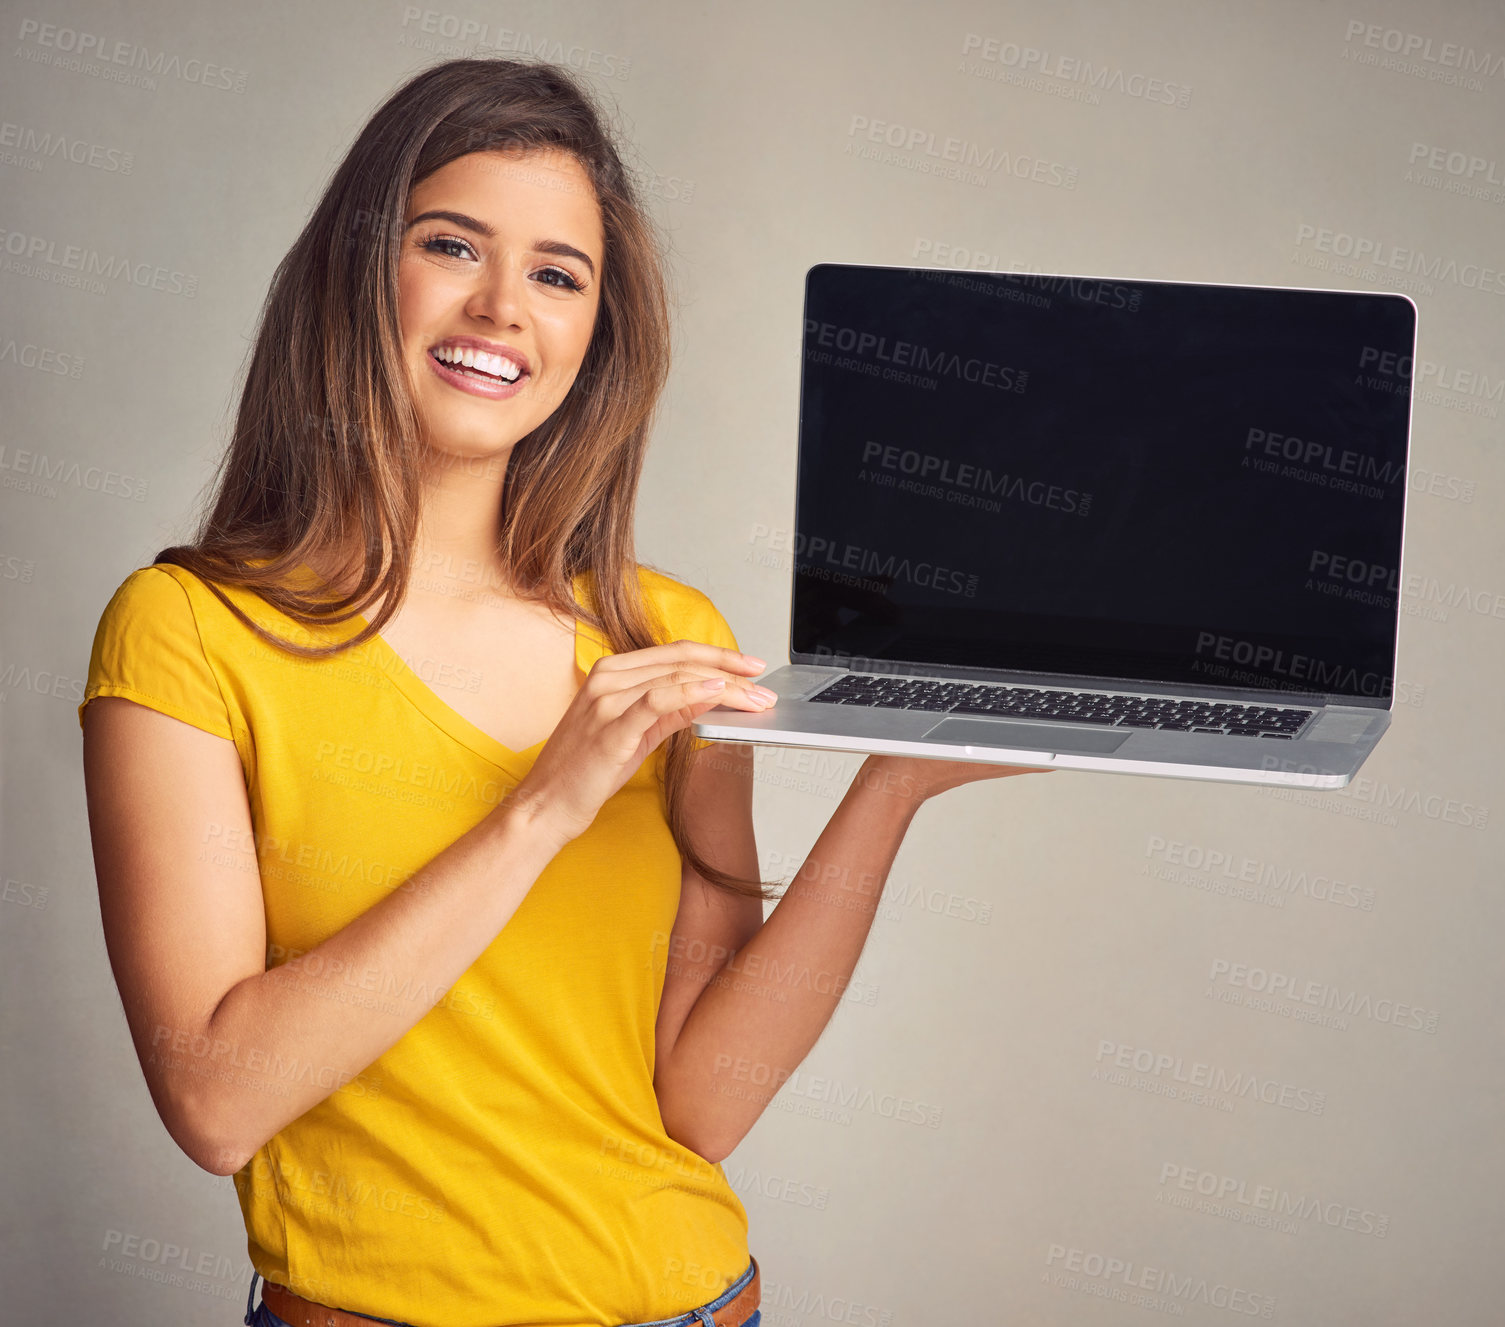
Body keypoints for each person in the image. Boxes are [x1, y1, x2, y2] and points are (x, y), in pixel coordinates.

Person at [77, 56, 1049, 1327]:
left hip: (695, 1302)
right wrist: (543, 805)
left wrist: (893, 784)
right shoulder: (190, 632)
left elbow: (700, 1103)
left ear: (595, 335)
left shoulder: (661, 637)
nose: (500, 309)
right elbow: (216, 1099)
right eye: (449, 244)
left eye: (555, 274)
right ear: (358, 272)